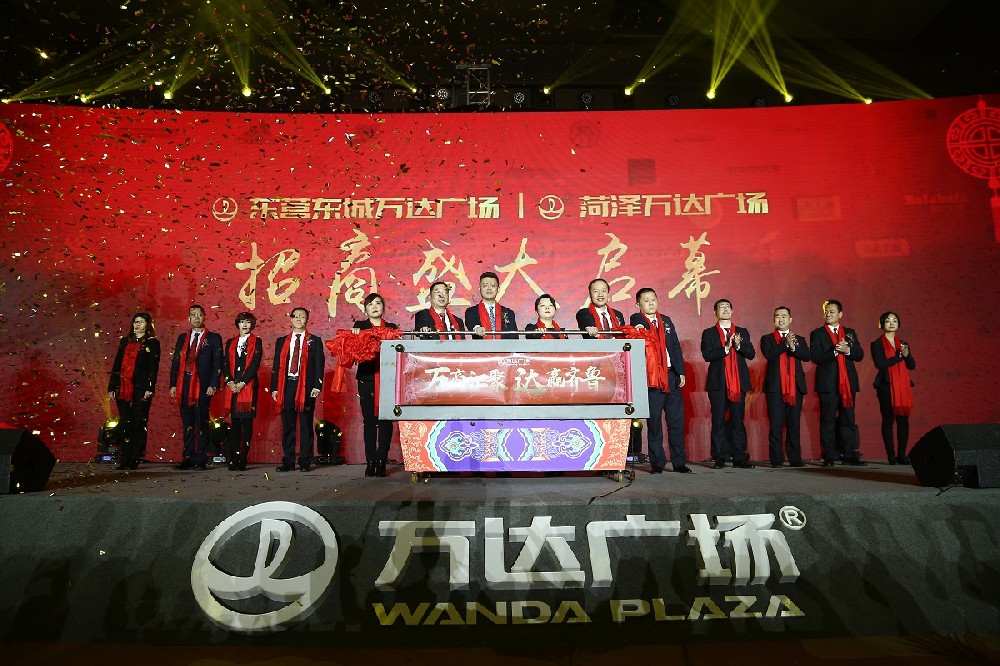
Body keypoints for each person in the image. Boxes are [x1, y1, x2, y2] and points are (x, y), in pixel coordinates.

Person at [630, 288, 690, 474]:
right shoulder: (637, 319)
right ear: (638, 304)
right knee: (654, 422)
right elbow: (638, 326)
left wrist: (680, 371)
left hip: (671, 376)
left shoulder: (666, 320)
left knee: (676, 422)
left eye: (653, 299)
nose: (650, 303)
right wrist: (641, 327)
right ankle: (657, 462)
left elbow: (675, 346)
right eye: (646, 300)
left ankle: (679, 462)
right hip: (653, 378)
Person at [700, 298, 756, 469]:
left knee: (738, 421)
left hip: (738, 383)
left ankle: (739, 457)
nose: (724, 310)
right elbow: (707, 355)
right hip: (718, 383)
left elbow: (751, 353)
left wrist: (738, 346)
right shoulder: (709, 333)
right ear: (715, 312)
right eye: (721, 307)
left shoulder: (742, 332)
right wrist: (726, 347)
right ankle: (719, 457)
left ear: (732, 311)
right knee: (718, 421)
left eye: (727, 307)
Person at [810, 299, 866, 466]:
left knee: (848, 419)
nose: (828, 314)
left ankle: (849, 454)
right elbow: (816, 357)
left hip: (848, 383)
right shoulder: (817, 333)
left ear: (840, 314)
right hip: (828, 384)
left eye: (832, 311)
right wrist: (835, 351)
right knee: (827, 420)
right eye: (826, 312)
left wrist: (848, 350)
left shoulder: (850, 333)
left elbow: (859, 355)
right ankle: (829, 455)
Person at [169, 304, 223, 470]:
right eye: (193, 315)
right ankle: (188, 457)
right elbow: (176, 362)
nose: (196, 318)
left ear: (204, 317)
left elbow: (218, 363)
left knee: (202, 421)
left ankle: (201, 458)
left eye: (200, 314)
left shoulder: (213, 338)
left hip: (203, 385)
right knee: (187, 422)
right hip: (184, 384)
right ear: (189, 318)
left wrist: (213, 384)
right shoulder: (182, 338)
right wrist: (173, 384)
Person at [271, 307, 325, 472]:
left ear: (307, 320)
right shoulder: (282, 341)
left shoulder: (314, 340)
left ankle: (305, 462)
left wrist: (317, 385)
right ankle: (288, 461)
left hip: (306, 387)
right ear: (291, 319)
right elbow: (276, 366)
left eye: (302, 316)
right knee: (288, 425)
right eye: (296, 316)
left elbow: (319, 365)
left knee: (306, 425)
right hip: (287, 385)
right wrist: (275, 387)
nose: (299, 319)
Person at [352, 293, 399, 477]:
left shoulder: (392, 328)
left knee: (386, 420)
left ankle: (381, 460)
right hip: (367, 378)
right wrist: (355, 336)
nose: (374, 307)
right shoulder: (359, 326)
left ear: (383, 307)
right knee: (369, 421)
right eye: (370, 304)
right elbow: (353, 352)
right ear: (365, 309)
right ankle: (370, 460)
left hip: (388, 379)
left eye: (378, 303)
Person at [107, 312, 160, 470]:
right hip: (123, 388)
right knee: (125, 423)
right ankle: (124, 457)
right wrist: (112, 386)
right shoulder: (125, 342)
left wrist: (150, 387)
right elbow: (117, 364)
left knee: (139, 423)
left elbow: (153, 367)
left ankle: (135, 458)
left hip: (141, 389)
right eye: (136, 321)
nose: (138, 324)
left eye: (142, 322)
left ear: (148, 325)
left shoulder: (152, 343)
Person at [760, 306, 811, 468]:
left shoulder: (799, 338)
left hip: (795, 387)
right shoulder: (767, 339)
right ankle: (776, 460)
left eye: (784, 316)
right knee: (775, 425)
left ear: (790, 319)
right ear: (773, 320)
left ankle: (795, 459)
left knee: (794, 425)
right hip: (775, 388)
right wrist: (785, 344)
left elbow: (807, 356)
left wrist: (793, 346)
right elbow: (770, 354)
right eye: (777, 316)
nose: (781, 319)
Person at [871, 311, 915, 465]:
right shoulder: (876, 344)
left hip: (903, 386)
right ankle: (891, 455)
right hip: (886, 385)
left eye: (894, 320)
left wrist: (906, 355)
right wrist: (898, 357)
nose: (891, 323)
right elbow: (880, 363)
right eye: (888, 321)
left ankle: (902, 454)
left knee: (903, 420)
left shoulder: (903, 343)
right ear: (882, 324)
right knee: (888, 420)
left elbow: (912, 365)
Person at [222, 312, 263, 472]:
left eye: (248, 322)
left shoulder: (257, 341)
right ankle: (233, 459)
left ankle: (243, 459)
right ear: (237, 324)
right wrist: (230, 382)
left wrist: (242, 383)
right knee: (235, 426)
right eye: (242, 322)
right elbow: (225, 363)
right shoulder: (230, 342)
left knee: (246, 425)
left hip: (248, 387)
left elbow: (255, 364)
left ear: (252, 324)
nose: (245, 325)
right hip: (232, 387)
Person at [465, 271, 519, 340]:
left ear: (498, 289)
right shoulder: (472, 312)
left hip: (504, 347)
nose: (489, 288)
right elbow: (472, 323)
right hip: (481, 346)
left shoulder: (508, 312)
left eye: (493, 285)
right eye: (485, 285)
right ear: (480, 289)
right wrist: (477, 328)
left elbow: (514, 337)